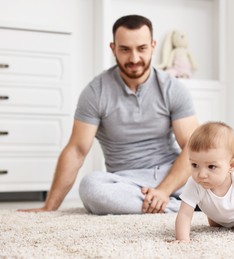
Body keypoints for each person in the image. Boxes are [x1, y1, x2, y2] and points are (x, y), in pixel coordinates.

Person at [20, 14, 198, 215]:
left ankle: (171, 201)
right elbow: (77, 150)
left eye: (141, 48)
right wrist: (49, 207)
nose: (134, 58)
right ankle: (185, 207)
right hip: (127, 182)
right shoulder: (96, 91)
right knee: (91, 187)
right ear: (113, 48)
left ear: (153, 46)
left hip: (173, 175)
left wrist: (164, 190)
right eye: (124, 49)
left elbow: (192, 147)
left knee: (223, 176)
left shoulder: (173, 88)